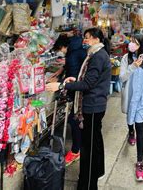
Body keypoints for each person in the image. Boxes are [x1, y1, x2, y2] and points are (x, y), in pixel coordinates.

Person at [46, 28, 111, 190]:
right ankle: (96, 173)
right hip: (96, 105)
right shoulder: (96, 54)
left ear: (96, 39)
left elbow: (88, 84)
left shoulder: (97, 56)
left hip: (92, 106)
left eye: (87, 38)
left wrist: (62, 85)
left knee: (88, 148)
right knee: (95, 141)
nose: (85, 41)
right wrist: (74, 79)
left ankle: (88, 185)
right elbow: (89, 79)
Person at [120, 34, 143, 182]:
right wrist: (133, 66)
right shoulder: (126, 59)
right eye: (131, 41)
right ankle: (130, 131)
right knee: (130, 121)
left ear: (142, 45)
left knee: (141, 128)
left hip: (142, 101)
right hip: (131, 98)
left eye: (136, 42)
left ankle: (140, 162)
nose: (132, 44)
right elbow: (122, 78)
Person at [64, 32, 88, 165]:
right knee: (79, 121)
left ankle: (75, 151)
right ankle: (79, 148)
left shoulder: (72, 54)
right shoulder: (82, 50)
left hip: (77, 92)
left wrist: (65, 84)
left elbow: (73, 72)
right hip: (83, 92)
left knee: (75, 121)